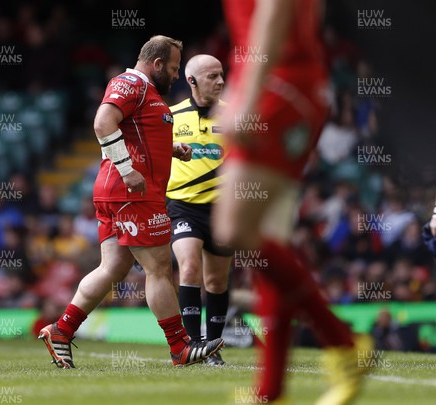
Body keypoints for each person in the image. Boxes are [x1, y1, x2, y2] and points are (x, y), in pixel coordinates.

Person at [215, 1, 374, 403]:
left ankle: (344, 341)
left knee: (234, 229)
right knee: (267, 242)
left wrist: (249, 92)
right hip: (282, 81)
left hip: (279, 86)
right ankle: (271, 392)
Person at [39, 35, 224, 369]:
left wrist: (172, 150)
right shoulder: (131, 83)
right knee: (158, 268)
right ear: (155, 64)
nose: (176, 74)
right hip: (132, 194)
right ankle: (180, 347)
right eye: (172, 67)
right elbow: (102, 122)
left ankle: (61, 330)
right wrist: (127, 170)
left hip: (121, 194)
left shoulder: (149, 94)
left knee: (113, 267)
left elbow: (136, 133)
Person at [166, 54, 232, 366]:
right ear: (191, 81)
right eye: (211, 76)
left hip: (222, 209)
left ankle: (214, 349)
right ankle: (191, 345)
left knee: (217, 282)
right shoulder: (171, 116)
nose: (220, 81)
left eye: (222, 75)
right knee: (189, 268)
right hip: (183, 206)